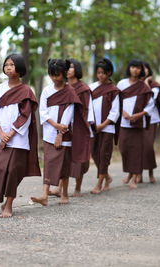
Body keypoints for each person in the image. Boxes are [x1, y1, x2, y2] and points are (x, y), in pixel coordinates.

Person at [0, 54, 41, 218]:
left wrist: (10, 133)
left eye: (12, 64)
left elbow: (26, 115)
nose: (8, 67)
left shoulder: (26, 90)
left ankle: (9, 204)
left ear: (19, 68)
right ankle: (1, 199)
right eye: (6, 64)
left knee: (12, 172)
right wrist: (0, 133)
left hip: (17, 138)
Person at [31, 59, 81, 206]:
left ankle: (64, 193)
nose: (55, 78)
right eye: (52, 75)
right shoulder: (47, 91)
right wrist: (54, 125)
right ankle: (44, 195)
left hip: (64, 135)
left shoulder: (70, 91)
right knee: (49, 163)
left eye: (57, 75)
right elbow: (43, 112)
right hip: (49, 133)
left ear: (64, 74)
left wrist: (60, 133)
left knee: (64, 164)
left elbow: (69, 114)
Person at [49, 58, 94, 197]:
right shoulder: (63, 87)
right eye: (66, 68)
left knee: (79, 159)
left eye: (71, 67)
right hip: (65, 126)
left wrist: (86, 125)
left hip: (80, 126)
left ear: (77, 70)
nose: (68, 70)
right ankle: (60, 189)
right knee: (65, 157)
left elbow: (89, 109)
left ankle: (78, 188)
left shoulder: (84, 89)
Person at [117, 59, 154, 189]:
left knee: (136, 151)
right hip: (123, 122)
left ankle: (134, 178)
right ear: (129, 68)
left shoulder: (144, 87)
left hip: (138, 124)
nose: (135, 70)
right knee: (124, 148)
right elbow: (115, 101)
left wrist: (138, 115)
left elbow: (150, 106)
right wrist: (123, 112)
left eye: (138, 68)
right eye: (133, 67)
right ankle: (129, 172)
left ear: (141, 71)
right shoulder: (122, 83)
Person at [89, 58, 120, 194]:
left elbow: (115, 111)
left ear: (109, 73)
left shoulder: (114, 90)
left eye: (103, 73)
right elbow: (88, 106)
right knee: (95, 153)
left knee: (104, 154)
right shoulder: (91, 87)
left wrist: (103, 125)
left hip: (107, 128)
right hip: (93, 127)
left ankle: (99, 183)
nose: (100, 75)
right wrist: (93, 124)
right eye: (98, 72)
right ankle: (107, 177)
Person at [139, 62, 160, 183]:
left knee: (148, 146)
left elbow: (150, 99)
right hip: (137, 119)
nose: (143, 71)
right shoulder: (135, 84)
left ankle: (151, 172)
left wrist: (146, 83)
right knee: (139, 147)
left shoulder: (155, 85)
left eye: (145, 69)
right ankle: (139, 174)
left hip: (151, 119)